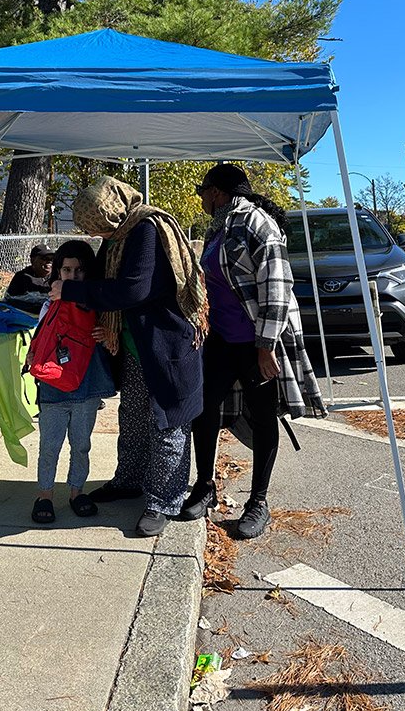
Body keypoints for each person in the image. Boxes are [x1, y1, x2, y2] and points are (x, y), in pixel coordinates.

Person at [49, 176, 207, 538]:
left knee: (169, 422)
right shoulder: (120, 235)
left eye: (100, 227)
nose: (100, 235)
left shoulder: (146, 229)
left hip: (168, 344)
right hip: (136, 346)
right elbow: (102, 278)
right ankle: (129, 481)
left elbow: (133, 289)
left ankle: (163, 501)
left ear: (112, 211)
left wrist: (70, 289)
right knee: (133, 417)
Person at [181, 164, 325, 539]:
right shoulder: (221, 226)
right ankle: (205, 486)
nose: (200, 197)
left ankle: (258, 501)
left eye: (203, 190)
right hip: (222, 339)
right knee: (204, 408)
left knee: (263, 417)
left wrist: (266, 347)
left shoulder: (257, 224)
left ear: (218, 191)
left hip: (256, 341)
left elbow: (277, 287)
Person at [27, 241, 115, 525]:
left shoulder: (99, 306)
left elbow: (111, 340)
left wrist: (106, 333)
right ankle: (45, 494)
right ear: (57, 273)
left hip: (86, 388)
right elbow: (41, 339)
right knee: (49, 445)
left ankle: (77, 491)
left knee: (81, 444)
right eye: (67, 269)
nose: (73, 275)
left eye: (79, 270)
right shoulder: (49, 305)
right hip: (54, 388)